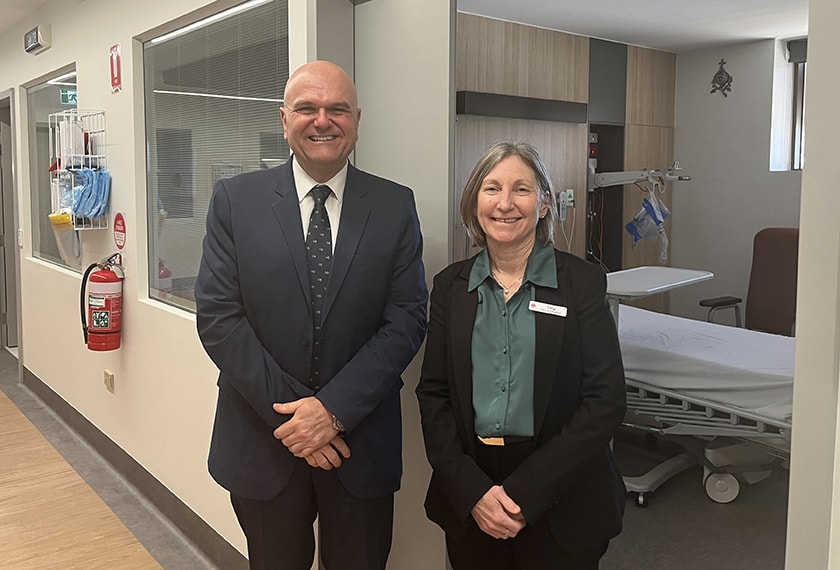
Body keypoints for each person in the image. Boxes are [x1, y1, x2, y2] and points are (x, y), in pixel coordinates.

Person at [195, 60, 428, 570]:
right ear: (284, 119)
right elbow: (218, 317)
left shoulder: (394, 205)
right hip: (263, 443)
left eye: (337, 109)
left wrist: (333, 412)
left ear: (357, 119)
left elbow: (407, 318)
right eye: (307, 108)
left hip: (358, 444)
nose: (322, 120)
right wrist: (299, 419)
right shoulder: (235, 201)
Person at [416, 141, 626, 569]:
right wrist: (473, 491)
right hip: (472, 490)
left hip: (562, 491)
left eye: (522, 190)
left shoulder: (582, 284)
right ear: (475, 202)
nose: (505, 204)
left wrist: (525, 493)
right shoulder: (450, 288)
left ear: (545, 202)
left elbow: (605, 401)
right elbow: (434, 394)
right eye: (492, 189)